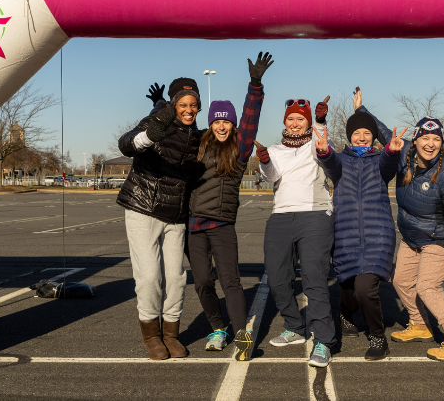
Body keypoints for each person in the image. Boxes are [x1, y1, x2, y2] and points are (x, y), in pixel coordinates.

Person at [187, 52, 273, 361]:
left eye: (227, 121)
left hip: (221, 225)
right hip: (194, 226)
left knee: (231, 281)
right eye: (218, 120)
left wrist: (255, 86)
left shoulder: (239, 149)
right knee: (201, 282)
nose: (222, 125)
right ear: (210, 123)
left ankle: (240, 334)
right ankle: (217, 328)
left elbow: (251, 118)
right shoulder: (197, 145)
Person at [381, 115, 444, 362]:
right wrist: (360, 109)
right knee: (401, 282)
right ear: (415, 140)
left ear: (442, 142)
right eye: (425, 137)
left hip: (440, 237)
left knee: (427, 286)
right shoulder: (403, 150)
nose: (430, 143)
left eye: (436, 139)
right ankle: (420, 324)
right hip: (412, 234)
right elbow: (382, 130)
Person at [117, 77, 203, 361]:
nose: (188, 109)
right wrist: (150, 134)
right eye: (183, 104)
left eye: (193, 105)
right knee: (150, 277)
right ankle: (152, 336)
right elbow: (127, 144)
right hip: (143, 208)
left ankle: (171, 334)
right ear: (173, 105)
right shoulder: (156, 121)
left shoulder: (197, 136)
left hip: (175, 216)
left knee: (177, 279)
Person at [314, 87, 398, 360]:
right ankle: (345, 315)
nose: (362, 138)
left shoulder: (379, 161)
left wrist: (393, 151)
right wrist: (325, 152)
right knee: (348, 288)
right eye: (356, 134)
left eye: (367, 134)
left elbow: (388, 162)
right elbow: (329, 164)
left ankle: (377, 337)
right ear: (349, 138)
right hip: (346, 233)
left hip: (378, 234)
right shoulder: (342, 161)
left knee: (366, 288)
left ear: (373, 138)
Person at [255, 97, 337, 367]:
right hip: (280, 215)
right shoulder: (275, 149)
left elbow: (323, 146)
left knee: (314, 277)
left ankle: (324, 341)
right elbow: (270, 177)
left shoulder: (315, 144)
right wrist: (265, 160)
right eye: (291, 118)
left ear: (308, 123)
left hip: (314, 215)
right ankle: (295, 326)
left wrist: (322, 122)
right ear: (284, 122)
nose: (295, 123)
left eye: (300, 119)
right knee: (277, 278)